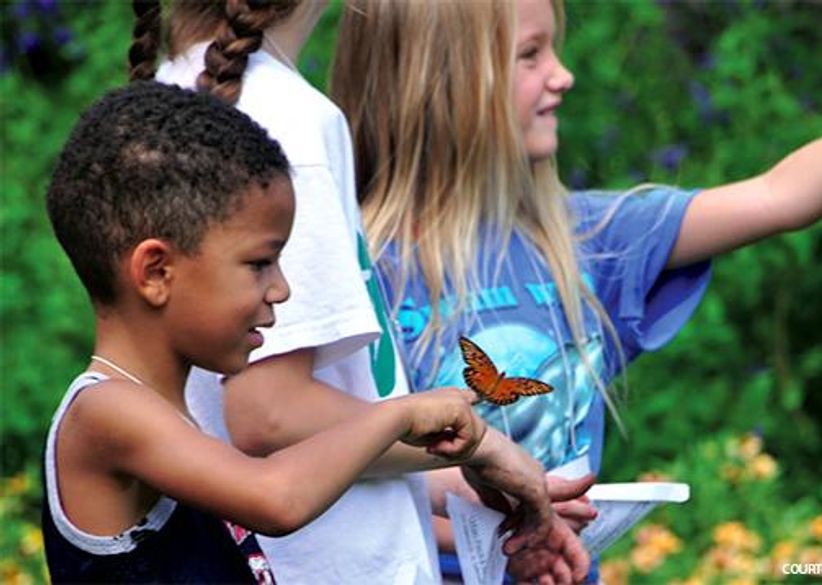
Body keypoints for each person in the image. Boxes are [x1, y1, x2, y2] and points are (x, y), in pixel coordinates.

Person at [330, 0, 822, 581]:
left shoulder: (584, 241)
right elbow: (323, 456)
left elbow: (780, 196)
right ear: (440, 81)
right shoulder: (352, 264)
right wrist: (495, 515)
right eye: (530, 54)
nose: (563, 74)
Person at [134, 1, 592, 583]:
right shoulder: (289, 122)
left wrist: (459, 482)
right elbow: (268, 413)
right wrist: (483, 446)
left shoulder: (163, 94)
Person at [41, 80, 495, 584]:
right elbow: (277, 499)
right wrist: (400, 414)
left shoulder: (171, 423)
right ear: (155, 272)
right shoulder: (107, 412)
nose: (280, 289)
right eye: (259, 263)